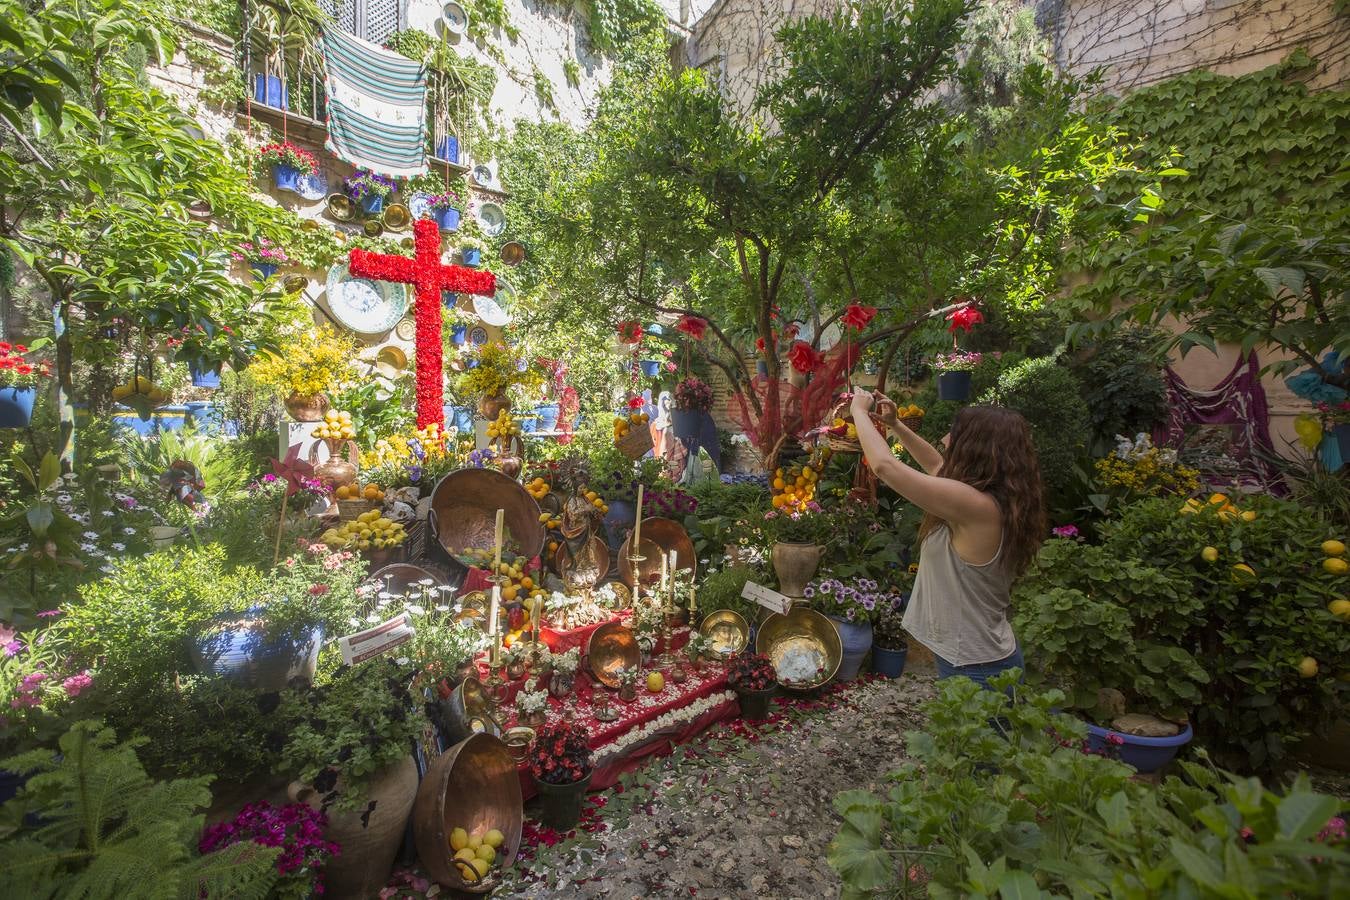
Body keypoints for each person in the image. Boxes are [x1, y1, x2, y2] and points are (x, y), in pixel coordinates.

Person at [850, 390, 1045, 689]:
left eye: (955, 432)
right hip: (974, 656)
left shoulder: (977, 507)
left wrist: (859, 413)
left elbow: (885, 468)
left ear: (976, 447)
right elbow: (934, 466)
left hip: (978, 667)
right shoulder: (992, 498)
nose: (945, 437)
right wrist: (895, 425)